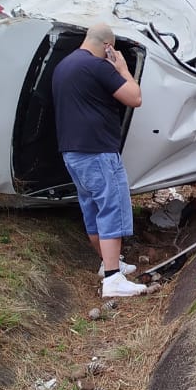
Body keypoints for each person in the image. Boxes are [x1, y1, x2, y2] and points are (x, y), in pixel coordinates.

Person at [51, 22, 147, 298]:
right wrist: (123, 69)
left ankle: (108, 264)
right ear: (108, 47)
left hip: (72, 153)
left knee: (92, 209)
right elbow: (135, 98)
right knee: (111, 209)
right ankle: (113, 279)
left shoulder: (64, 66)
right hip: (98, 151)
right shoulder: (97, 66)